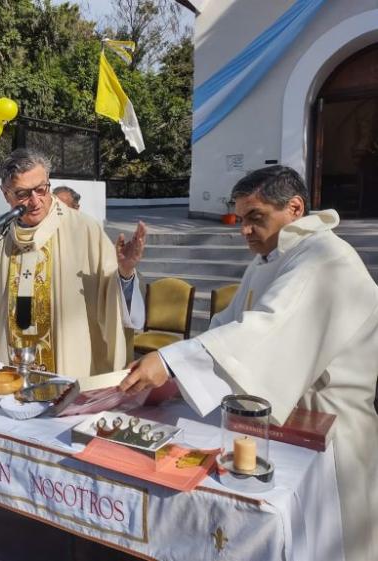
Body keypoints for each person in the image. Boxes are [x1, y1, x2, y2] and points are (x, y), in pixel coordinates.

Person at [119, 165, 378, 561]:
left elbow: (263, 331)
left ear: (294, 207)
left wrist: (171, 362)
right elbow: (226, 326)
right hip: (281, 419)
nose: (244, 230)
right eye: (241, 220)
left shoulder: (326, 258)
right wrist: (174, 378)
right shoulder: (268, 261)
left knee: (330, 543)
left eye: (255, 218)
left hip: (328, 426)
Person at [0, 148, 146, 379]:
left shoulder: (84, 230)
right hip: (11, 371)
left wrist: (125, 273)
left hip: (68, 371)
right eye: (23, 194)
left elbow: (113, 303)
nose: (35, 201)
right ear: (6, 194)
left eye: (41, 189)